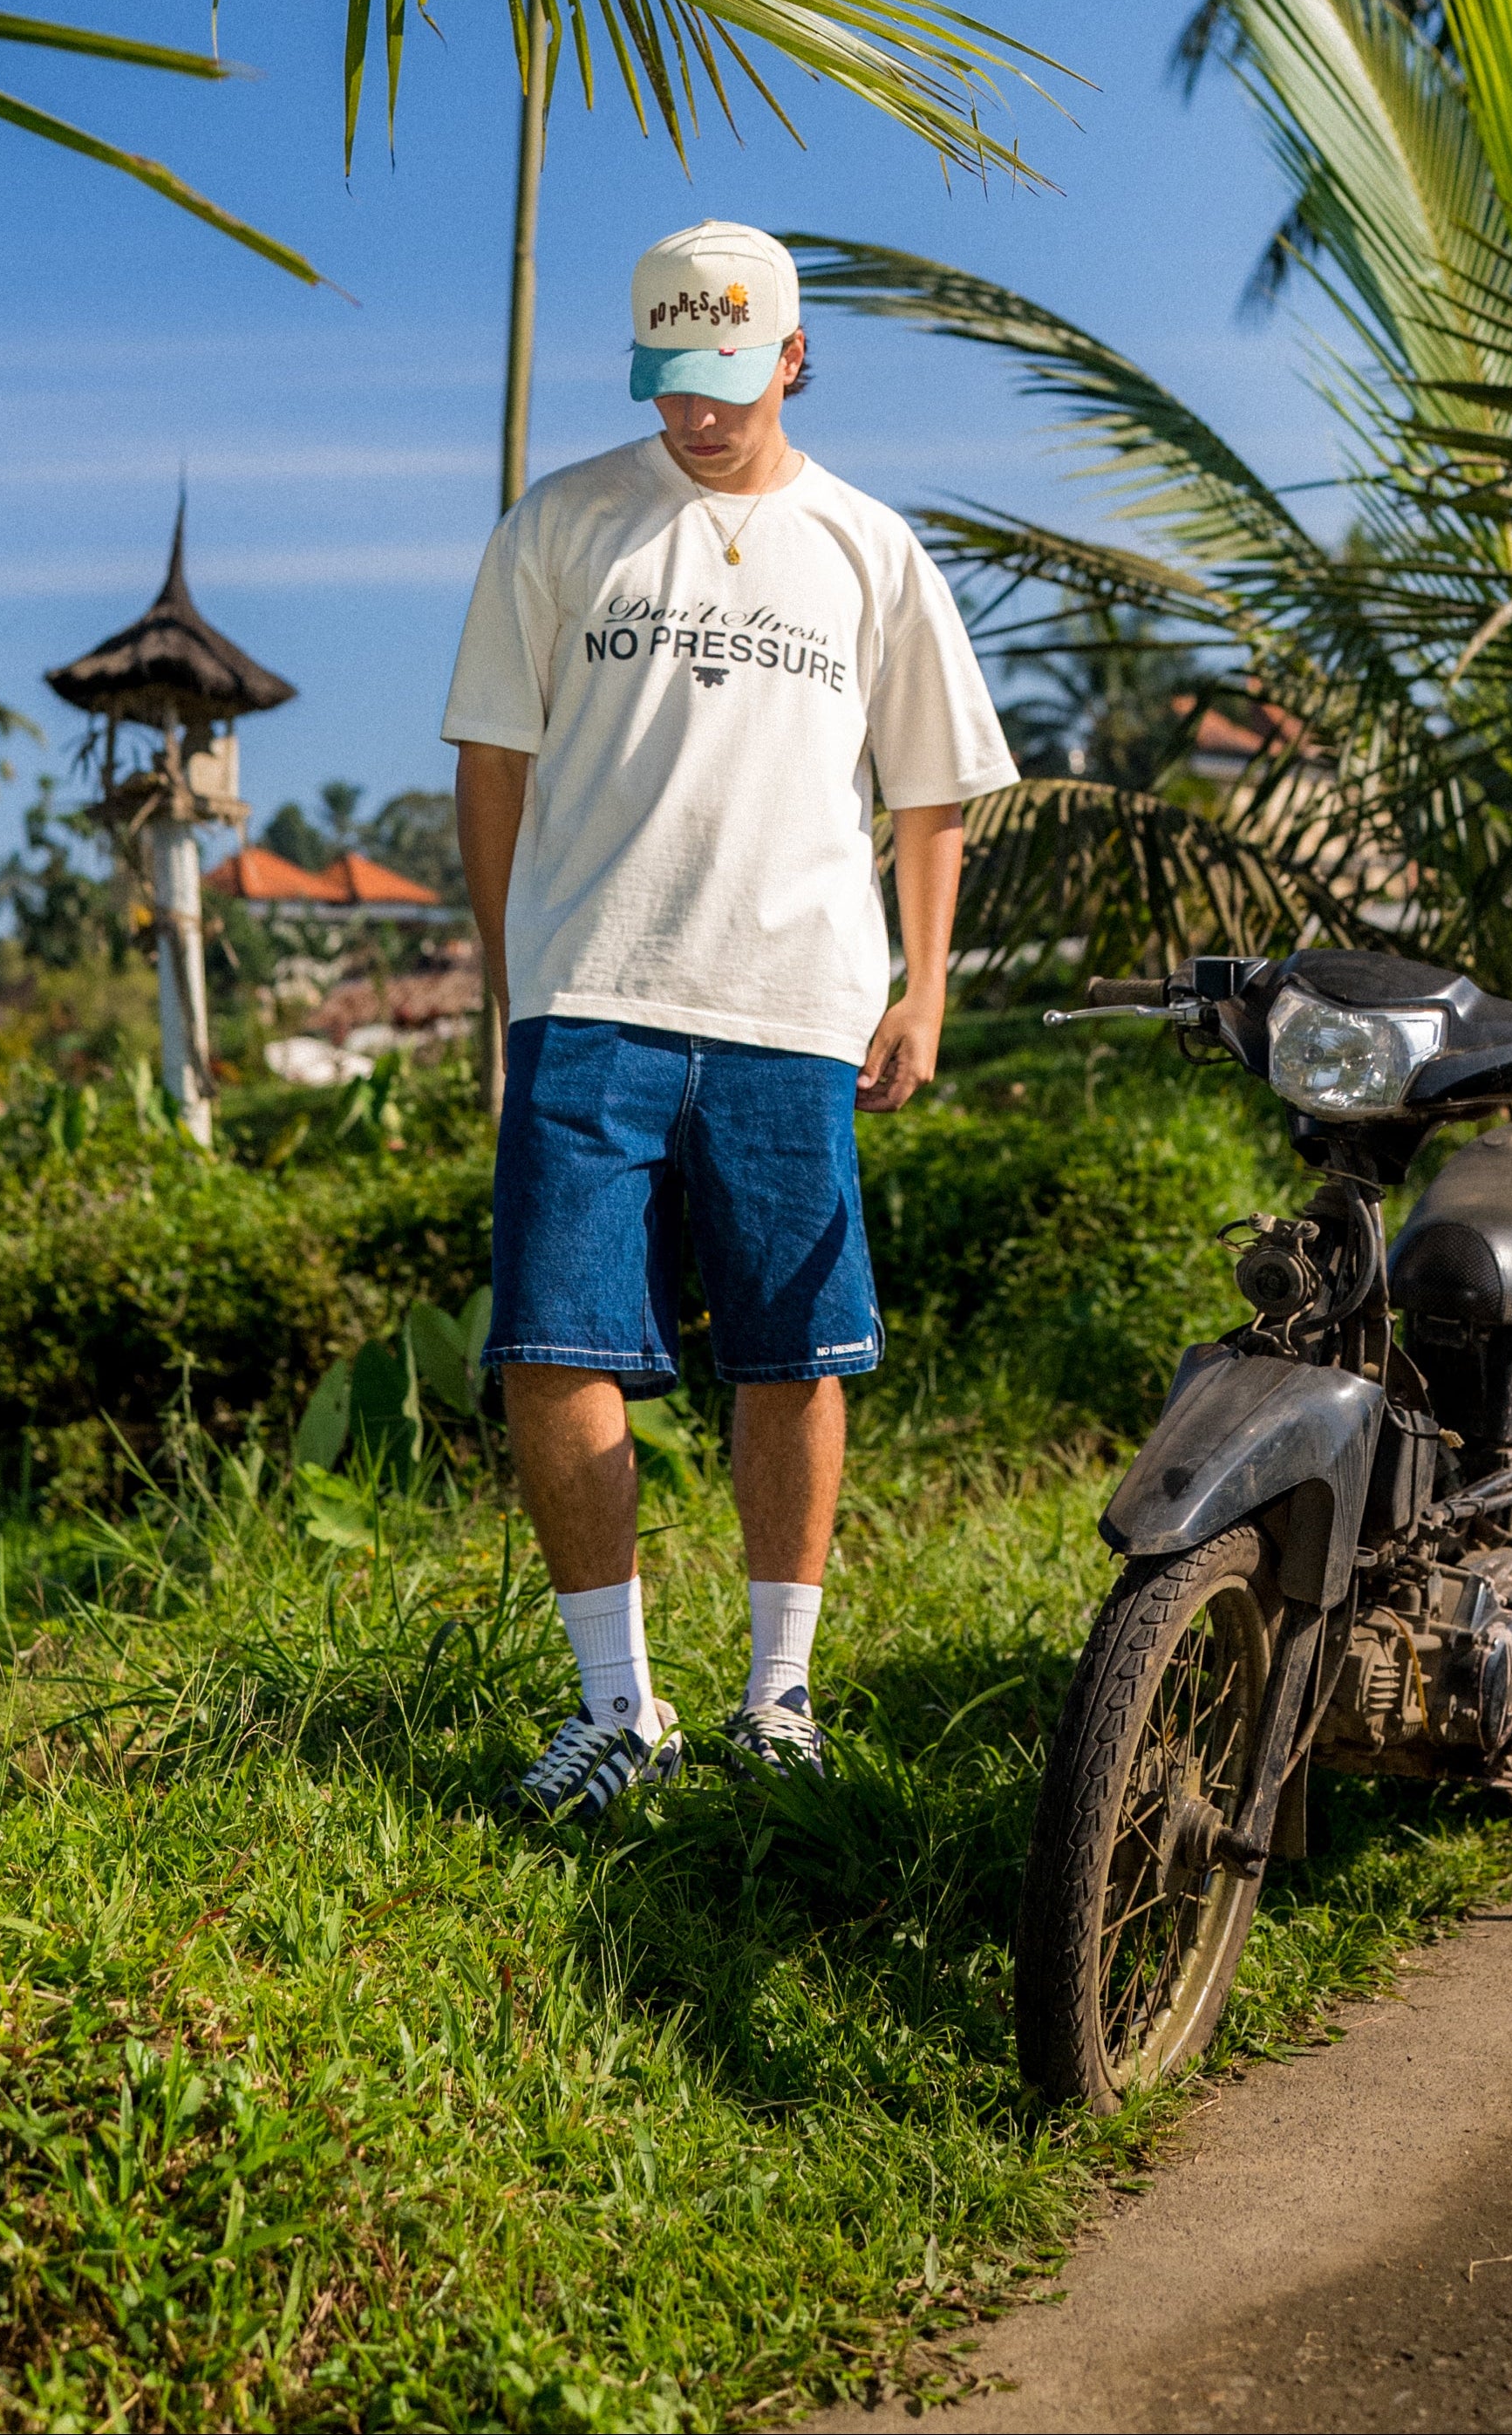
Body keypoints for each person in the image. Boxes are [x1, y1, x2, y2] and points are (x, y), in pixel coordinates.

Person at [446, 219, 1016, 1825]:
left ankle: (781, 1698)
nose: (693, 413)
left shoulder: (867, 548)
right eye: (665, 381)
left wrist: (927, 985)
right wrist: (514, 974)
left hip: (793, 1008)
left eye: (722, 378)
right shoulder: (562, 526)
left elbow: (929, 790)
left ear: (789, 355)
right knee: (551, 1342)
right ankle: (618, 1710)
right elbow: (493, 761)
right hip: (590, 999)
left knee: (797, 1348)